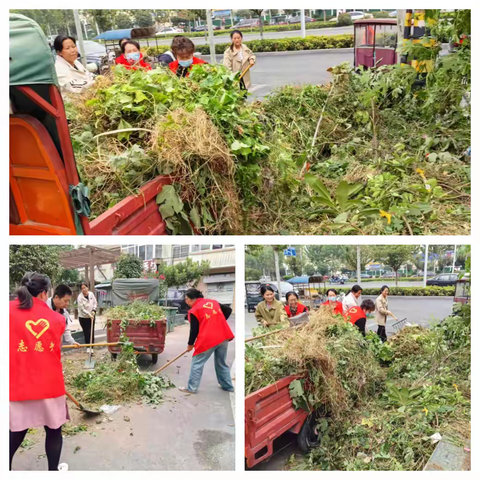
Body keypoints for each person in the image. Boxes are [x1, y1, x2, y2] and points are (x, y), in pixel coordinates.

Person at [10, 273, 69, 471]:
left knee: (16, 431)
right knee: (54, 431)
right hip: (49, 386)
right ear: (45, 293)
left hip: (17, 385)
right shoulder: (58, 319)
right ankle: (53, 472)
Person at [179, 289, 235, 394]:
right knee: (221, 362)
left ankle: (191, 388)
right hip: (223, 336)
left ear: (193, 299)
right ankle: (227, 386)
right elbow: (228, 310)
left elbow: (194, 330)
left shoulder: (195, 309)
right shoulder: (213, 302)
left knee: (197, 362)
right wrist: (218, 322)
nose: (186, 302)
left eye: (187, 299)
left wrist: (190, 345)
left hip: (208, 339)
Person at [77, 283, 97, 353]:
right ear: (81, 289)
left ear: (87, 288)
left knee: (92, 331)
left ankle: (92, 347)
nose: (84, 289)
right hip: (83, 317)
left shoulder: (91, 294)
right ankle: (88, 347)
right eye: (82, 288)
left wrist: (94, 310)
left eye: (85, 287)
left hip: (92, 315)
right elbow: (82, 309)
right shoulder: (80, 297)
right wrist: (89, 314)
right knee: (86, 332)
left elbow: (95, 303)